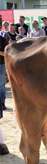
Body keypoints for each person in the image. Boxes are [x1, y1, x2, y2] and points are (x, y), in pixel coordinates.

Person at [0, 24, 9, 155]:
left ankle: (2, 103)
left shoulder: (1, 39)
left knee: (1, 87)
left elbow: (6, 52)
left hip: (0, 65)